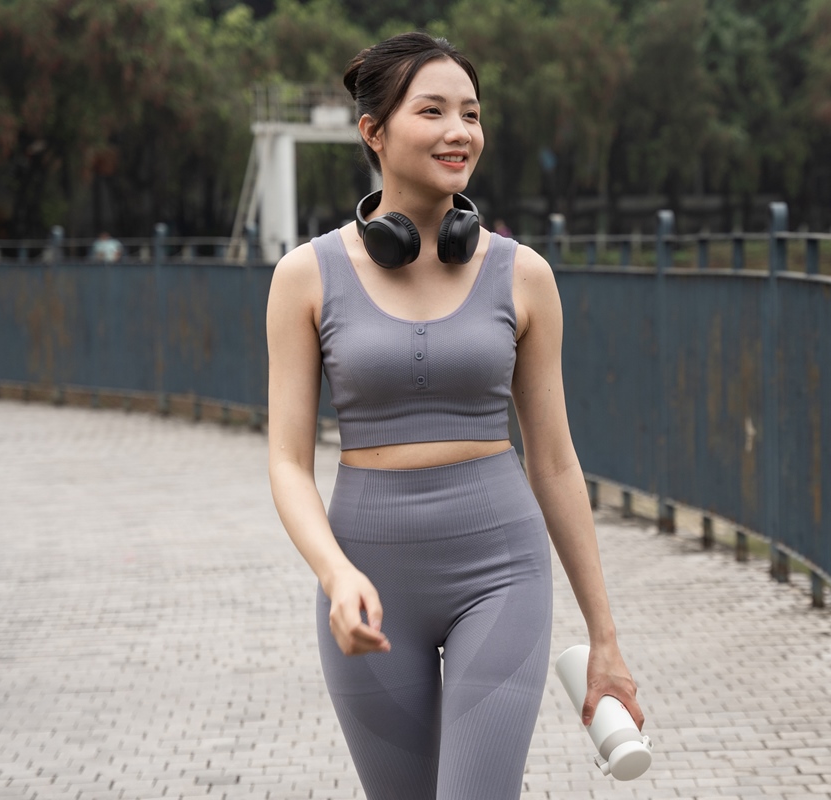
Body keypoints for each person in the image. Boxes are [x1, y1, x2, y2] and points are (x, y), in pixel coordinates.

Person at [265, 32, 643, 800]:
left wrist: (605, 639)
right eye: (431, 110)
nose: (459, 131)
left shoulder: (523, 275)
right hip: (368, 582)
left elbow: (556, 461)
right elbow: (286, 462)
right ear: (373, 131)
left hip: (500, 573)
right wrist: (336, 576)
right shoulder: (305, 276)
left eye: (470, 113)